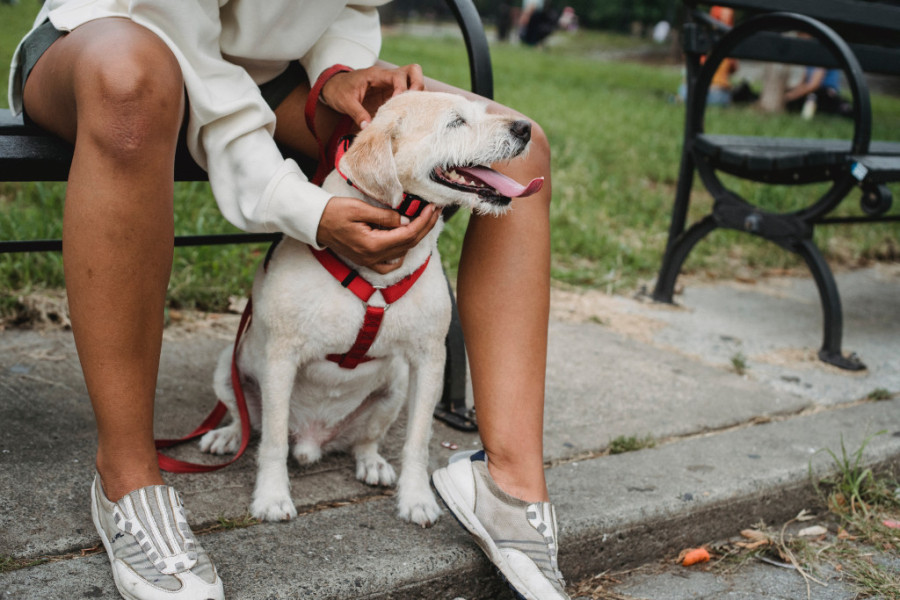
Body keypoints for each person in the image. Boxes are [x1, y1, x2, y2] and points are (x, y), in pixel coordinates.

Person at [7, 2, 566, 599]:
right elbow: (178, 37)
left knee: (522, 147)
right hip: (123, 35)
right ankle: (124, 476)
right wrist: (308, 209)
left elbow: (347, 4)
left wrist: (336, 69)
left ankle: (509, 483)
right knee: (134, 86)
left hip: (267, 73)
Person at [784, 67, 853, 118]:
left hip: (825, 94)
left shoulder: (822, 56)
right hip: (813, 93)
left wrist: (789, 97)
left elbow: (814, 85)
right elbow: (802, 84)